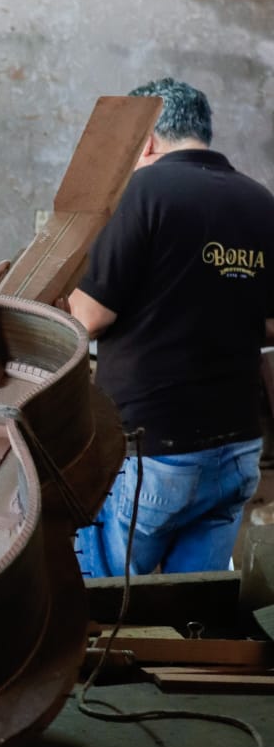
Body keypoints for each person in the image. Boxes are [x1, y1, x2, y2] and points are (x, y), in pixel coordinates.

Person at [68, 76, 274, 578]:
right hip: (238, 447)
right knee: (194, 611)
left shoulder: (143, 190)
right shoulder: (261, 200)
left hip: (154, 448)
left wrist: (63, 295)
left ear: (148, 140)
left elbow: (89, 318)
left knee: (106, 606)